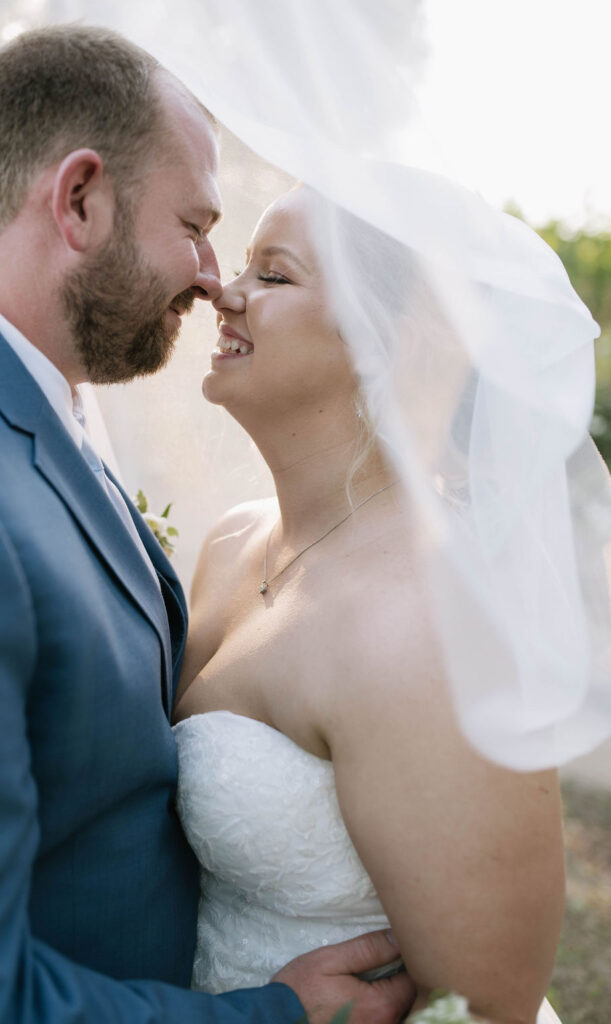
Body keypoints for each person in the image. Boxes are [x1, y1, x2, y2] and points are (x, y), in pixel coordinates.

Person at [0, 26, 415, 1024]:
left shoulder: (16, 394)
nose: (209, 276)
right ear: (78, 199)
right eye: (195, 225)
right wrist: (268, 1014)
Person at [173, 186, 567, 1023]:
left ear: (381, 344)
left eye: (273, 276)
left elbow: (485, 1002)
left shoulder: (431, 620)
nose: (224, 290)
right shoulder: (228, 543)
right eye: (241, 264)